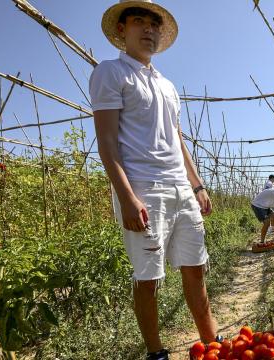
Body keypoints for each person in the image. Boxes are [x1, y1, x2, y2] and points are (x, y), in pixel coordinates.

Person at [90, 1, 217, 359]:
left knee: (196, 269)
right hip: (144, 189)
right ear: (121, 31)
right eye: (138, 22)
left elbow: (177, 139)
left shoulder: (167, 85)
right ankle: (156, 352)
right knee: (148, 278)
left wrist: (197, 184)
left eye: (153, 25)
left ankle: (213, 344)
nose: (148, 30)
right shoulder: (111, 73)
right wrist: (127, 197)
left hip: (180, 189)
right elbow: (107, 142)